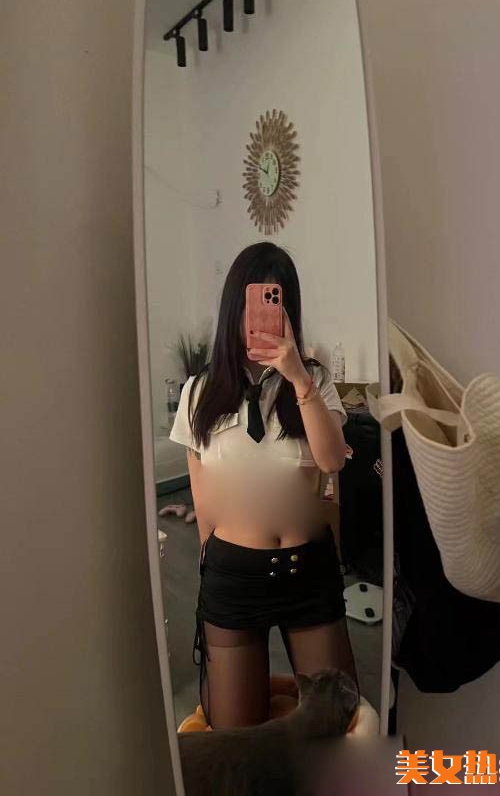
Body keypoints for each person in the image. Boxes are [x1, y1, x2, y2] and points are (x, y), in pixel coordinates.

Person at [169, 242, 358, 729]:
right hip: (233, 577)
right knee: (237, 738)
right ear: (234, 307)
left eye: (277, 304)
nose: (262, 319)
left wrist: (297, 377)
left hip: (308, 571)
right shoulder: (198, 393)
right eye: (253, 304)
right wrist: (210, 576)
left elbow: (331, 461)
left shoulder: (314, 383)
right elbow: (203, 498)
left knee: (336, 725)